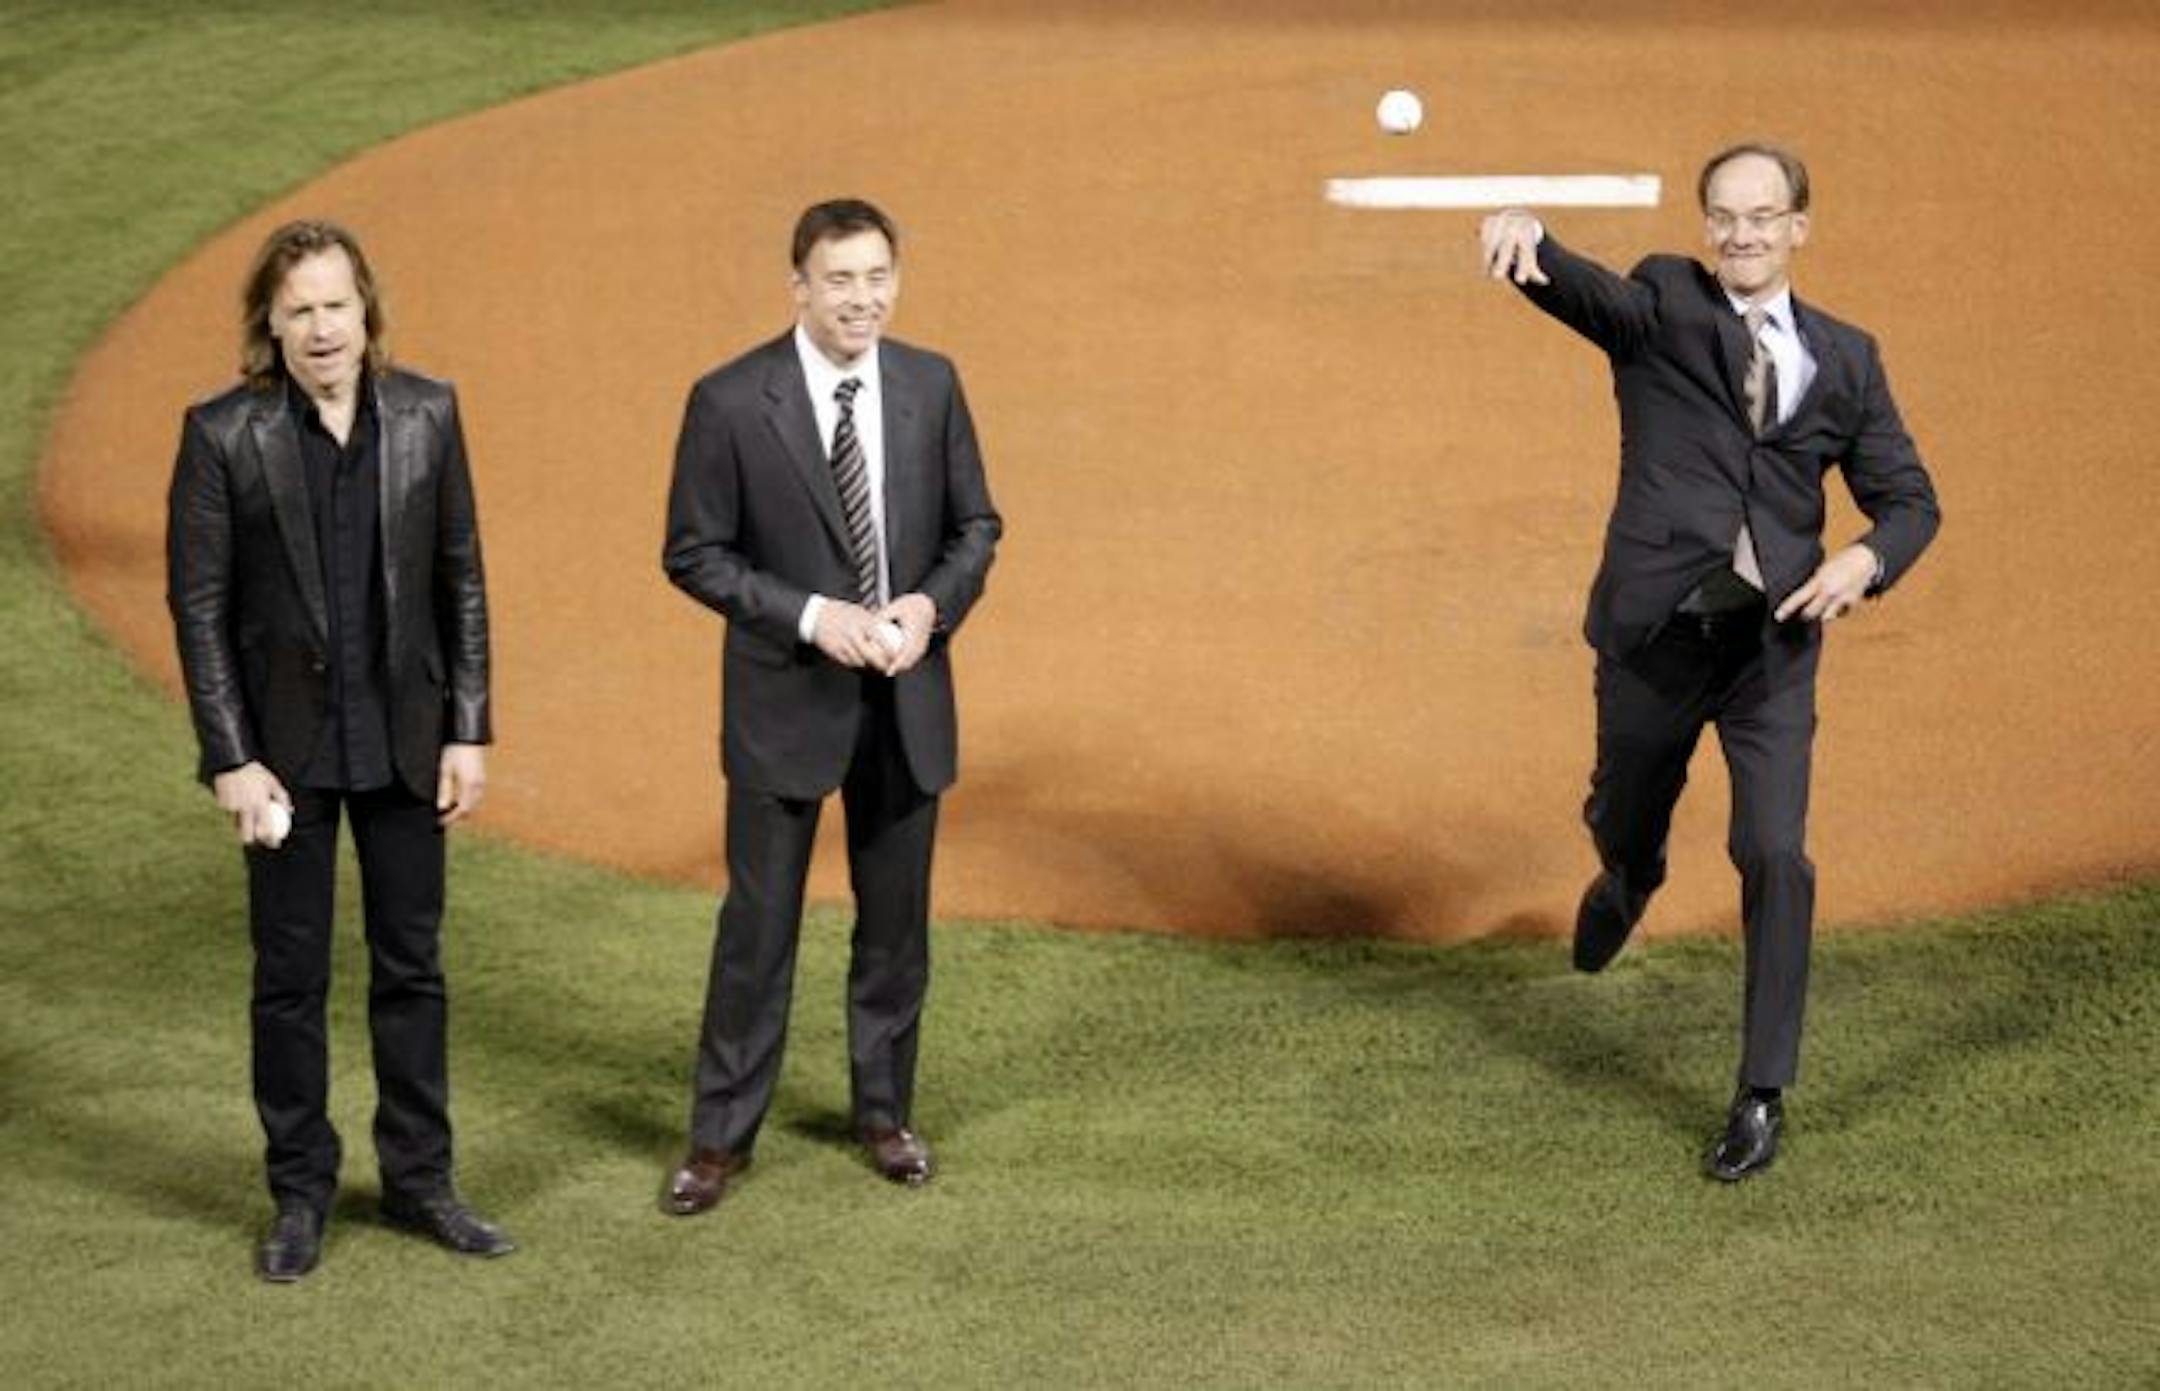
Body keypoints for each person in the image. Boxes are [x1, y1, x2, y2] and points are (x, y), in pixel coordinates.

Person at [1478, 144, 1940, 1180]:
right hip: (1654, 638)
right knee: (1627, 813)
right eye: (1725, 217)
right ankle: (1626, 876)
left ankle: (1762, 1090)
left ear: (1798, 228)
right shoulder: (1666, 303)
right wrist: (1528, 236)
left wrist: (1866, 557)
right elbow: (1584, 290)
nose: (1742, 234)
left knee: (1776, 851)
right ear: (1707, 225)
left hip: (1769, 651)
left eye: (1763, 216)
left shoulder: (1848, 358)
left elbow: (1911, 500)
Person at [166, 219, 514, 1280]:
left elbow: (462, 574)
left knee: (414, 969)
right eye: (300, 310)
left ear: (368, 310)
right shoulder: (224, 432)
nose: (323, 328)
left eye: (337, 305)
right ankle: (301, 1191)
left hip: (407, 742)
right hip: (286, 757)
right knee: (290, 978)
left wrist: (468, 726)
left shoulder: (429, 412)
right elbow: (200, 606)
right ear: (270, 325)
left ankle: (420, 1181)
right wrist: (231, 756)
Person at [659, 199, 1001, 1215]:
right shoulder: (729, 401)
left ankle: (885, 1112)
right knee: (758, 926)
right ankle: (719, 1138)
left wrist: (928, 607)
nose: (864, 298)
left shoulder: (930, 385)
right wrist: (813, 615)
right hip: (785, 703)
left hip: (907, 697)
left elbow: (977, 524)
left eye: (878, 275)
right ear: (798, 286)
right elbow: (694, 553)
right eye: (841, 279)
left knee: (895, 929)